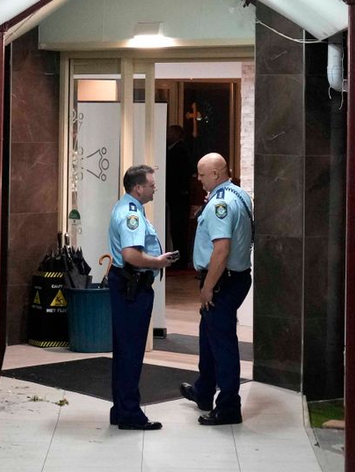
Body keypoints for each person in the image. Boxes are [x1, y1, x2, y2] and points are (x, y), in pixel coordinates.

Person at [180, 152, 253, 425]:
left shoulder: (219, 203)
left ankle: (229, 407)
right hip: (236, 277)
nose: (198, 179)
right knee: (208, 336)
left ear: (215, 174)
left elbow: (221, 250)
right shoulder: (239, 194)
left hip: (223, 281)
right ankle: (203, 390)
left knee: (222, 345)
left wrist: (208, 287)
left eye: (202, 174)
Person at [107, 164, 177, 430]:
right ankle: (129, 414)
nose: (155, 188)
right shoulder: (131, 214)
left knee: (125, 350)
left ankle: (121, 409)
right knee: (131, 352)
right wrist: (158, 262)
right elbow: (131, 255)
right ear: (138, 188)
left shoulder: (128, 206)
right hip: (132, 287)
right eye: (151, 184)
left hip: (128, 285)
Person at [164, 123, 194, 268]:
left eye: (170, 133)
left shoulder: (180, 151)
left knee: (179, 229)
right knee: (176, 229)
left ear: (177, 135)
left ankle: (181, 260)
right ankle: (179, 258)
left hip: (179, 196)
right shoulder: (172, 149)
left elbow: (179, 174)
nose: (167, 135)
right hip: (175, 196)